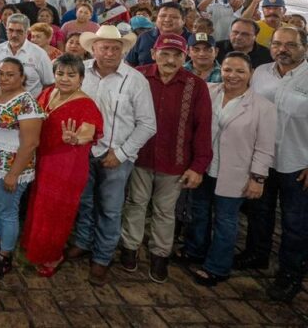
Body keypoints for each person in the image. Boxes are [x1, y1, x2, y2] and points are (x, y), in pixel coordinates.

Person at [65, 24, 155, 284]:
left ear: (123, 50)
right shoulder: (83, 73)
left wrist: (123, 152)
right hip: (82, 151)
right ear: (93, 48)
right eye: (104, 47)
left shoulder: (135, 79)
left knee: (111, 209)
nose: (109, 52)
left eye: (115, 48)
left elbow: (148, 124)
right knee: (84, 201)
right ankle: (83, 240)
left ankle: (102, 257)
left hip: (117, 154)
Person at [119, 33, 212, 284]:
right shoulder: (136, 76)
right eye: (165, 53)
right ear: (153, 53)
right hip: (139, 156)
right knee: (135, 203)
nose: (170, 60)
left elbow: (203, 128)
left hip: (176, 160)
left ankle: (160, 255)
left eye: (177, 55)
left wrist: (198, 166)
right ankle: (129, 248)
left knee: (165, 210)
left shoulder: (196, 85)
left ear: (186, 57)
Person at [183, 52, 275, 286]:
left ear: (251, 74)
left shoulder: (263, 107)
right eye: (227, 70)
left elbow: (264, 147)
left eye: (240, 71)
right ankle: (195, 251)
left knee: (225, 221)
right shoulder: (207, 91)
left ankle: (217, 267)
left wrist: (258, 178)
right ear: (220, 70)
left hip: (236, 173)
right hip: (204, 168)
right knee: (199, 213)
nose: (232, 76)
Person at [21, 55, 103, 277]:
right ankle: (36, 248)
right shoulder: (48, 93)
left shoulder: (86, 104)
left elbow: (88, 132)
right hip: (43, 161)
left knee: (56, 213)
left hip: (67, 167)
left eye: (71, 75)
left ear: (81, 78)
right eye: (60, 73)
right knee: (39, 207)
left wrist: (76, 139)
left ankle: (53, 255)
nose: (64, 79)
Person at [244, 26, 308, 302]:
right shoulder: (260, 73)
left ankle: (290, 274)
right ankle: (256, 255)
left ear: (303, 46)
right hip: (263, 159)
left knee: (295, 223)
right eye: (277, 44)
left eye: (290, 45)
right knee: (260, 213)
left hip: (298, 162)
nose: (283, 49)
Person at [0, 57, 43, 279]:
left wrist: (14, 173)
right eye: (1, 73)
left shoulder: (28, 103)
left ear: (22, 77)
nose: (4, 78)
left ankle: (5, 256)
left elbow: (31, 143)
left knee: (8, 211)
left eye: (10, 74)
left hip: (12, 167)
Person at [0, 13, 54, 98]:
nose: (14, 35)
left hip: (26, 108)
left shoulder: (39, 54)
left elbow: (49, 84)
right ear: (6, 30)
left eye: (19, 31)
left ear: (27, 32)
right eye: (11, 30)